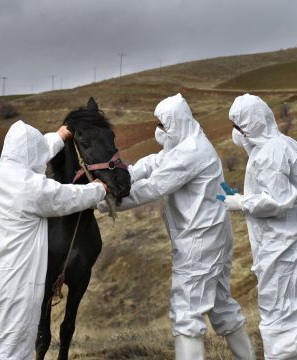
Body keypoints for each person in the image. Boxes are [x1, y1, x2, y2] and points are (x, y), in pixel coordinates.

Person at [99, 93, 255, 360]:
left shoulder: (192, 153)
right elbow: (153, 163)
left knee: (186, 312)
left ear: (176, 123)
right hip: (210, 237)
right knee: (221, 305)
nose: (158, 131)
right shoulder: (185, 142)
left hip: (200, 241)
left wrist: (106, 201)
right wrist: (124, 175)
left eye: (163, 125)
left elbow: (155, 186)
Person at [0, 120, 107, 360]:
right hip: (12, 287)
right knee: (8, 354)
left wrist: (59, 136)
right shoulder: (34, 189)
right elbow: (67, 197)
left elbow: (29, 157)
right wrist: (99, 189)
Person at [222, 94, 297, 360]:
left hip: (284, 253)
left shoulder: (269, 154)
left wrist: (241, 202)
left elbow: (278, 201)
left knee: (279, 325)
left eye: (238, 127)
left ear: (250, 126)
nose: (236, 134)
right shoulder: (288, 145)